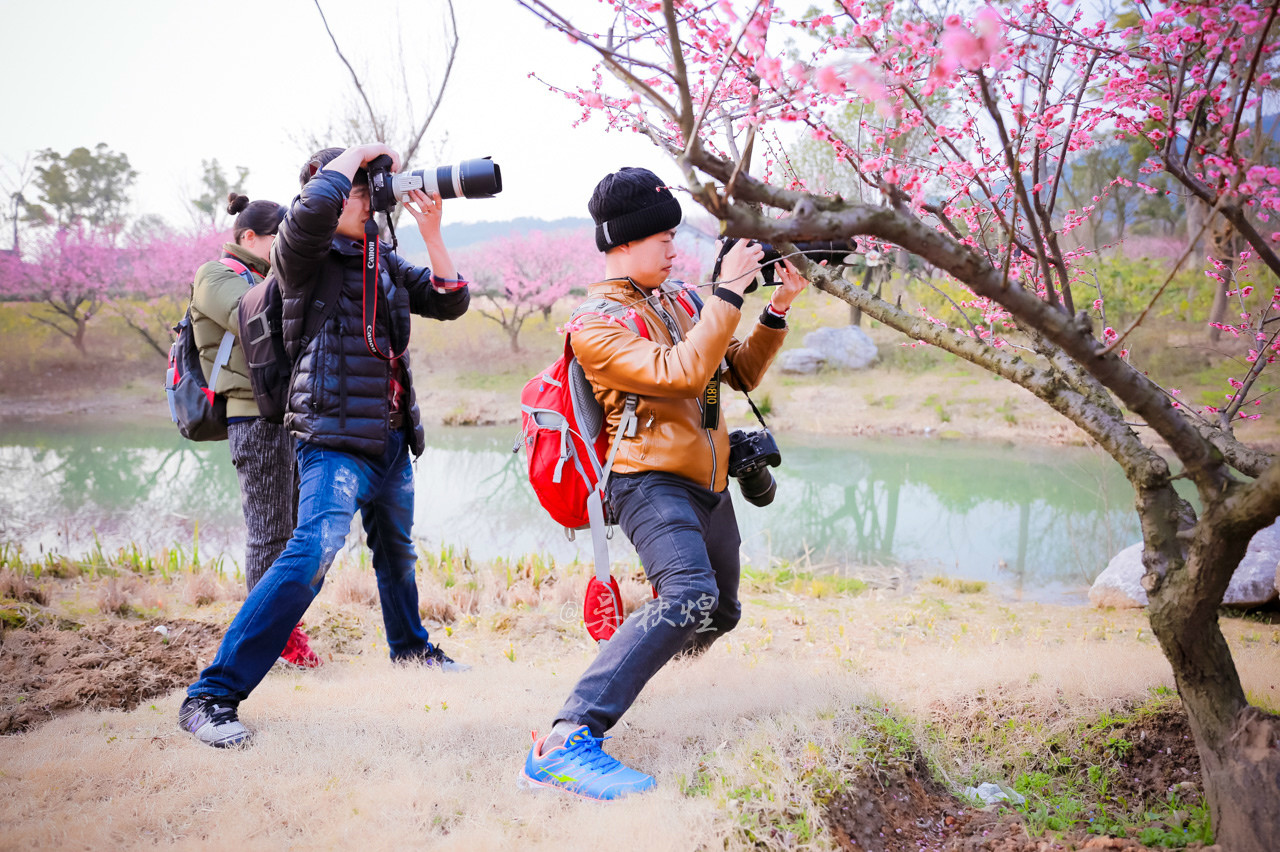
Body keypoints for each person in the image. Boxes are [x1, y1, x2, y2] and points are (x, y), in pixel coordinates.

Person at [519, 167, 809, 799]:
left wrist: (775, 308)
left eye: (675, 237)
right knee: (688, 594)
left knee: (719, 610)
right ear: (622, 241)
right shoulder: (595, 325)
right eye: (662, 238)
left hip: (709, 482)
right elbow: (680, 373)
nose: (674, 250)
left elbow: (737, 374)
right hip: (647, 480)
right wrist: (726, 295)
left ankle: (638, 660)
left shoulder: (680, 300)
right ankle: (565, 742)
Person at [180, 143, 472, 749]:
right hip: (333, 436)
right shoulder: (302, 254)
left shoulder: (380, 257)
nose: (373, 200)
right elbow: (312, 212)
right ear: (330, 192)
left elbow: (448, 300)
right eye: (363, 190)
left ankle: (410, 649)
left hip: (390, 435)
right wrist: (357, 155)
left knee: (397, 552)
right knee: (311, 551)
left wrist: (433, 233)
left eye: (373, 190)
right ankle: (210, 695)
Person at [190, 194, 320, 669]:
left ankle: (282, 627)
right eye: (278, 238)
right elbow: (252, 318)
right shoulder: (215, 275)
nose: (286, 246)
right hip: (252, 415)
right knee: (269, 532)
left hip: (290, 414)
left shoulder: (268, 276)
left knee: (298, 532)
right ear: (248, 237)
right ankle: (271, 643)